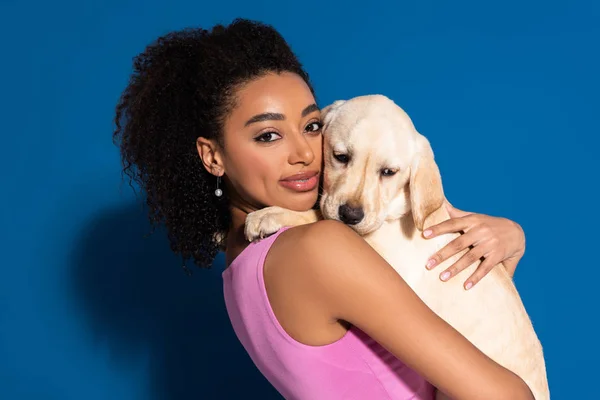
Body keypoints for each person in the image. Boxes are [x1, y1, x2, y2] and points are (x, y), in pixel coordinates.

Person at [113, 19, 532, 400]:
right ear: (213, 157)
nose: (303, 153)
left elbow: (458, 316)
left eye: (312, 127)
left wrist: (509, 245)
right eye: (268, 135)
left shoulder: (242, 263)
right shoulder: (319, 247)